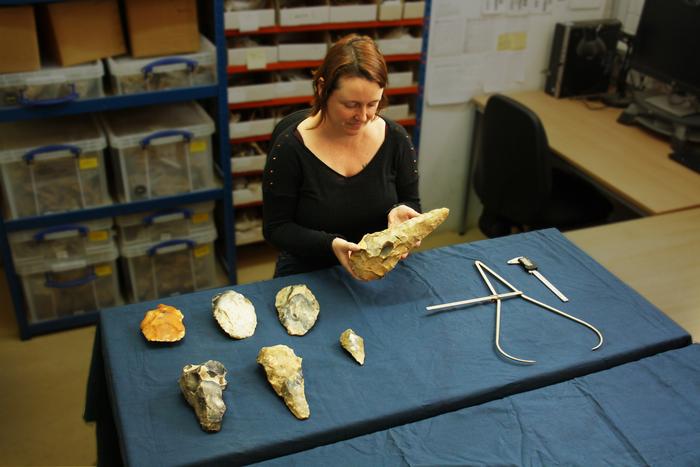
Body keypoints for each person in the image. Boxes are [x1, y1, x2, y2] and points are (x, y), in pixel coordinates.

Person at [262, 33, 421, 279]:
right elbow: (276, 228)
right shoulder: (290, 148)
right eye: (351, 105)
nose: (364, 116)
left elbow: (412, 201)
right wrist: (330, 245)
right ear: (322, 88)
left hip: (377, 268)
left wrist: (402, 213)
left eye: (373, 103)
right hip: (310, 271)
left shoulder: (396, 139)